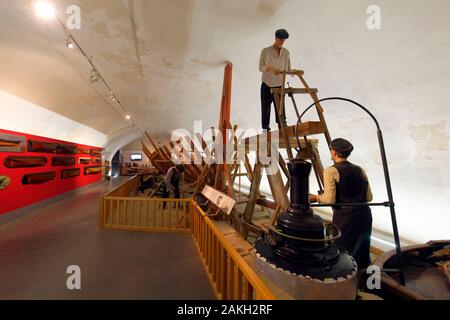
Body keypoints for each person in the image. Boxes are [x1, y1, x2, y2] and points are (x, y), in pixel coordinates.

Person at [309, 138, 373, 270]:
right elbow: (369, 197)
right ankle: (363, 281)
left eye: (331, 150)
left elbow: (329, 200)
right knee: (362, 251)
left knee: (343, 252)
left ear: (335, 152)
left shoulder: (331, 171)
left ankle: (344, 279)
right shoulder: (360, 169)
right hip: (365, 215)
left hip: (346, 218)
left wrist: (316, 197)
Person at [259, 28, 291, 131]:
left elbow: (288, 69)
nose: (282, 42)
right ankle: (265, 129)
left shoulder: (286, 53)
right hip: (267, 85)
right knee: (265, 109)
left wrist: (296, 72)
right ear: (276, 38)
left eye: (284, 40)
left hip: (279, 85)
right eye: (281, 39)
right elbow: (261, 67)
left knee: (280, 109)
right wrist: (271, 69)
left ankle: (282, 128)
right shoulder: (265, 51)